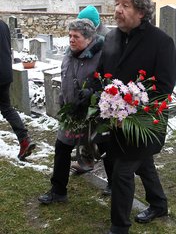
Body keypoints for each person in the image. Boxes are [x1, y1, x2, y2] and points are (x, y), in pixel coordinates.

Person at [98, 0, 176, 233]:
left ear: (141, 12)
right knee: (143, 165)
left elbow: (163, 87)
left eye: (125, 6)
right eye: (117, 5)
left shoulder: (161, 42)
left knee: (122, 172)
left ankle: (119, 227)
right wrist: (93, 96)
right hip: (116, 120)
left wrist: (130, 105)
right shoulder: (111, 37)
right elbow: (102, 75)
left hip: (145, 123)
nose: (118, 11)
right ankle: (159, 204)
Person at [38, 19, 109, 204]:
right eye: (70, 36)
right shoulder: (69, 54)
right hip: (71, 114)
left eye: (75, 36)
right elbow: (65, 80)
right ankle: (58, 191)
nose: (71, 40)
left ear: (88, 38)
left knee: (103, 148)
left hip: (93, 115)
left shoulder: (102, 56)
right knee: (62, 148)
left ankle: (114, 184)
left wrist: (93, 93)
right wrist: (63, 102)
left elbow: (109, 85)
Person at [73, 5, 111, 175]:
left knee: (103, 139)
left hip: (101, 93)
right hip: (85, 91)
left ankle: (112, 181)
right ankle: (86, 161)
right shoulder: (85, 35)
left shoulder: (107, 38)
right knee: (85, 132)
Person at [0, 19, 36, 161]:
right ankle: (24, 140)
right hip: (5, 73)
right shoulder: (2, 24)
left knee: (6, 108)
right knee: (7, 108)